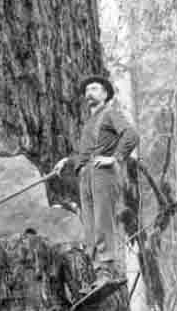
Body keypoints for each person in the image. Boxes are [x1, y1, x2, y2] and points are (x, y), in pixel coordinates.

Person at [53, 74, 138, 287]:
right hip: (85, 174)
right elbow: (86, 154)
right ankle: (96, 273)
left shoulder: (110, 114)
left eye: (95, 89)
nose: (90, 93)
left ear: (105, 94)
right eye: (87, 90)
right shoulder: (89, 123)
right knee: (89, 225)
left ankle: (107, 270)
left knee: (102, 221)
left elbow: (131, 135)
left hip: (103, 174)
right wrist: (68, 161)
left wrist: (115, 158)